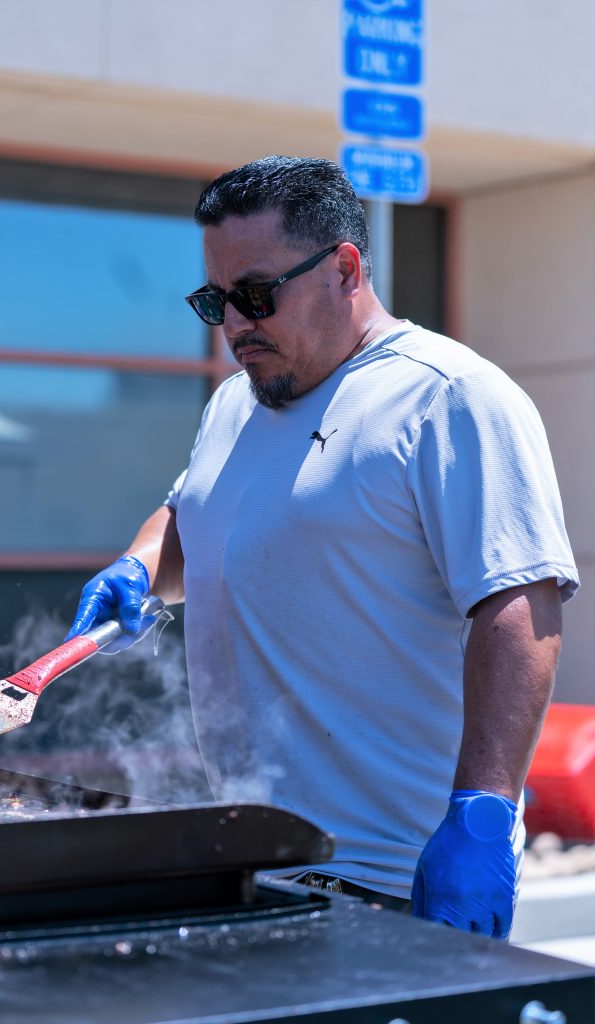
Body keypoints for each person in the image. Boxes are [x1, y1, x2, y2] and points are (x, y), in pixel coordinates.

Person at [66, 156, 579, 939]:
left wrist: (479, 817)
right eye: (215, 300)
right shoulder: (237, 402)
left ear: (344, 269)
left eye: (256, 295)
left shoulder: (447, 397)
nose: (235, 323)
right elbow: (193, 512)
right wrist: (140, 563)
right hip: (253, 857)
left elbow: (517, 603)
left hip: (392, 877)